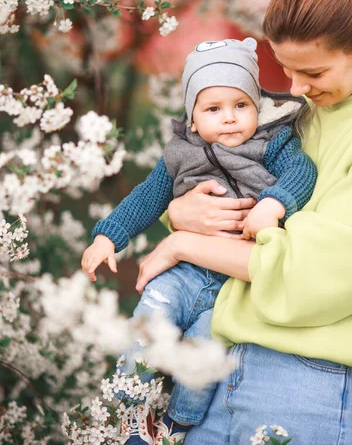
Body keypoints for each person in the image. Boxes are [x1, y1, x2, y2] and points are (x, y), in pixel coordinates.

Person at [133, 0, 352, 445]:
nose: (295, 89)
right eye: (288, 70)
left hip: (311, 380)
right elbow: (239, 197)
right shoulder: (317, 110)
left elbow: (310, 273)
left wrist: (182, 247)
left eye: (312, 71)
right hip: (224, 358)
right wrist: (181, 214)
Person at [81, 38, 317, 444]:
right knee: (151, 318)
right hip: (183, 273)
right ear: (192, 118)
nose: (229, 118)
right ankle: (129, 407)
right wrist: (108, 236)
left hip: (233, 282)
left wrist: (274, 204)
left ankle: (177, 425)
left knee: (204, 351)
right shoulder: (179, 154)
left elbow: (303, 172)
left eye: (241, 105)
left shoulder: (272, 144)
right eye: (213, 109)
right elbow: (148, 196)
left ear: (256, 106)